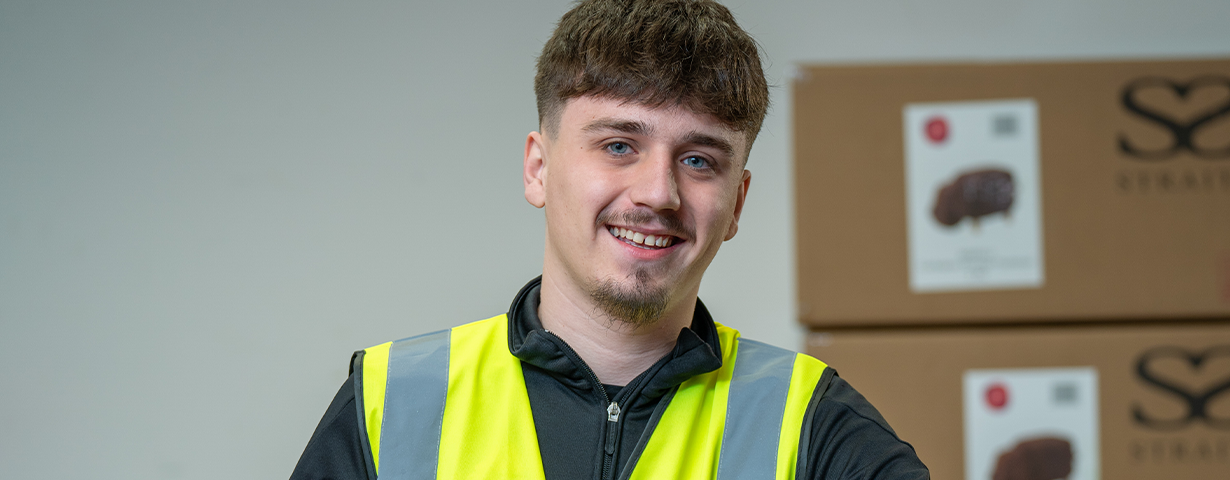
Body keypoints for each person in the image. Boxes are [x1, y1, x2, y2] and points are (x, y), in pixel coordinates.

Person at [291, 0, 929, 479]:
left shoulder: (812, 421)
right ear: (539, 169)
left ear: (736, 203)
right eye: (619, 145)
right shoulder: (391, 401)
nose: (658, 193)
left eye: (700, 160)